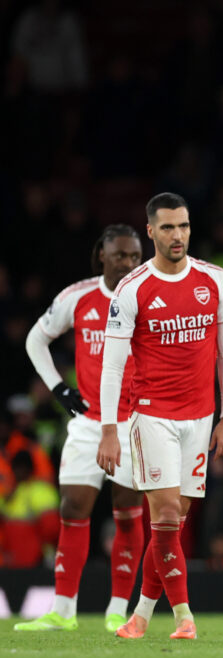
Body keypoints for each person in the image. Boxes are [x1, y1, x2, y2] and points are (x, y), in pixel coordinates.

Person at [96, 192, 223, 640]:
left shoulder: (215, 279)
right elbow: (113, 366)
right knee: (163, 518)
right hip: (152, 416)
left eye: (184, 226)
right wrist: (108, 431)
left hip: (200, 418)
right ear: (151, 231)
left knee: (173, 526)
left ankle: (139, 617)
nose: (178, 236)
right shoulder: (132, 288)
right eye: (169, 228)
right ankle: (184, 616)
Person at [15, 224, 145, 633]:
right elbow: (36, 339)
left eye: (135, 256)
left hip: (132, 423)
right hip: (88, 423)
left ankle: (116, 610)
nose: (128, 263)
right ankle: (63, 610)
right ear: (101, 256)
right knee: (72, 509)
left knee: (127, 512)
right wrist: (58, 389)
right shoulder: (78, 297)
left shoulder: (148, 296)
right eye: (121, 255)